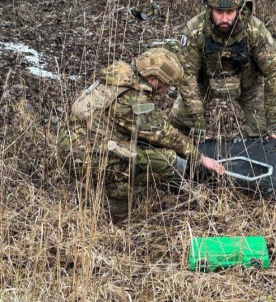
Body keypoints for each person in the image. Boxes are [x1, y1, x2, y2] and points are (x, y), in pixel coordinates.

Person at [57, 48, 225, 215]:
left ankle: (100, 182)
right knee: (166, 160)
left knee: (145, 148)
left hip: (74, 144)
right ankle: (110, 200)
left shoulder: (121, 76)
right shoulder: (132, 98)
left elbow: (148, 127)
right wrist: (199, 157)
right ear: (152, 79)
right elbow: (161, 134)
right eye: (166, 85)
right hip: (84, 157)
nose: (167, 90)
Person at [168, 0, 276, 141]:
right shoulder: (195, 30)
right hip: (205, 83)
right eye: (218, 12)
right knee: (178, 123)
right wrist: (198, 121)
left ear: (239, 9)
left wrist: (273, 122)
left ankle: (242, 147)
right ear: (209, 9)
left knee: (264, 131)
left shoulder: (255, 30)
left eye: (230, 12)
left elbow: (275, 73)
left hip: (248, 85)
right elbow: (187, 76)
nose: (224, 18)